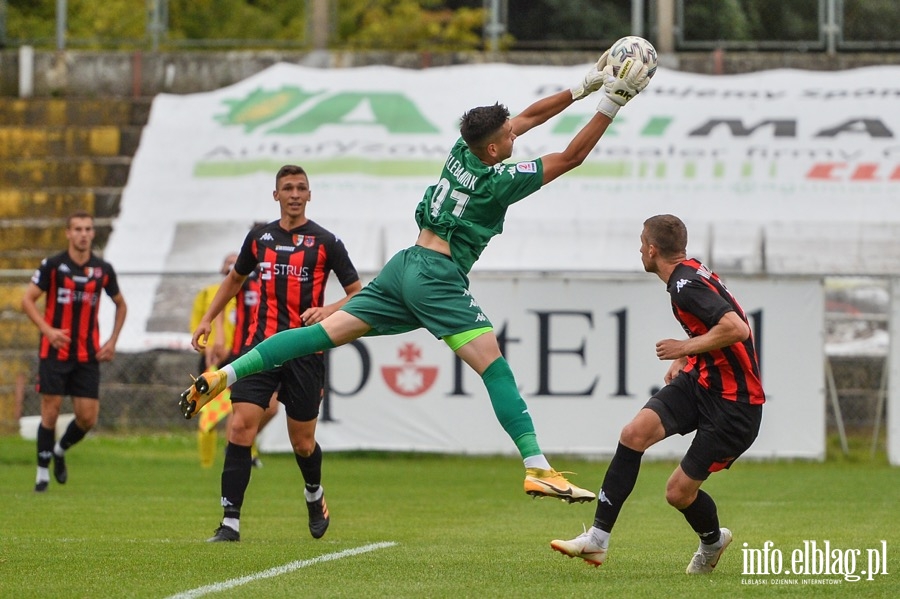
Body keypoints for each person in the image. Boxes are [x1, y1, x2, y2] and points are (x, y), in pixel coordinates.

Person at [180, 54, 652, 503]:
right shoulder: (496, 183)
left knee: (315, 335)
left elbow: (526, 117)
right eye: (507, 136)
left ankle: (226, 374)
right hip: (437, 278)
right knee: (495, 368)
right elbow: (570, 156)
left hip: (403, 266)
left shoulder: (461, 151)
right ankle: (536, 465)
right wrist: (611, 102)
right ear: (493, 148)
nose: (515, 136)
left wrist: (585, 85)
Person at [550, 214, 765, 574]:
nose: (638, 249)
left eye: (640, 243)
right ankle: (597, 541)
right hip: (702, 382)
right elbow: (717, 325)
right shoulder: (689, 272)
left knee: (677, 493)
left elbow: (736, 328)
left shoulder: (685, 285)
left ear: (652, 249)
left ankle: (713, 542)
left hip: (735, 406)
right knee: (633, 434)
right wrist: (689, 357)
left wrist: (683, 347)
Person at [186, 164, 362, 542]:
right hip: (258, 349)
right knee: (239, 427)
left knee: (302, 442)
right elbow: (234, 279)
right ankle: (230, 521)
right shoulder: (259, 238)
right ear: (276, 195)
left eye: (301, 188)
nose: (295, 194)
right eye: (288, 188)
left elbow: (357, 293)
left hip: (304, 350)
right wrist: (208, 319)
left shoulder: (326, 242)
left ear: (309, 195)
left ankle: (314, 494)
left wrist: (328, 311)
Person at [21, 210, 127, 492]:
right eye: (77, 228)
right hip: (54, 352)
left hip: (87, 355)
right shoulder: (53, 266)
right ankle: (42, 473)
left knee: (87, 418)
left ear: (93, 233)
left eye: (88, 229)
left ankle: (59, 450)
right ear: (68, 233)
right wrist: (48, 330)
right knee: (51, 411)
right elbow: (28, 300)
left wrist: (112, 341)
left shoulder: (103, 269)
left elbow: (121, 304)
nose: (83, 234)